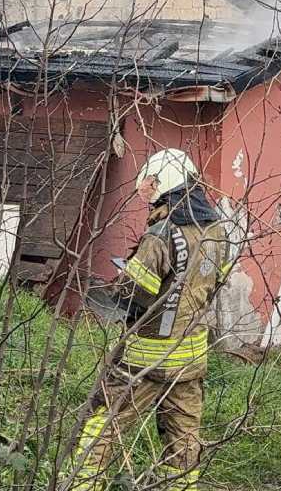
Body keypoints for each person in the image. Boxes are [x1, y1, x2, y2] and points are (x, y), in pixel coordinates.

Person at [67, 149, 234, 491]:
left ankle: (80, 485)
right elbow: (212, 286)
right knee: (184, 440)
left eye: (152, 182)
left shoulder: (161, 235)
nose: (147, 189)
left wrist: (122, 279)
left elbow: (133, 294)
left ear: (167, 184)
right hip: (191, 357)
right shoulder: (219, 232)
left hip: (147, 357)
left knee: (102, 423)